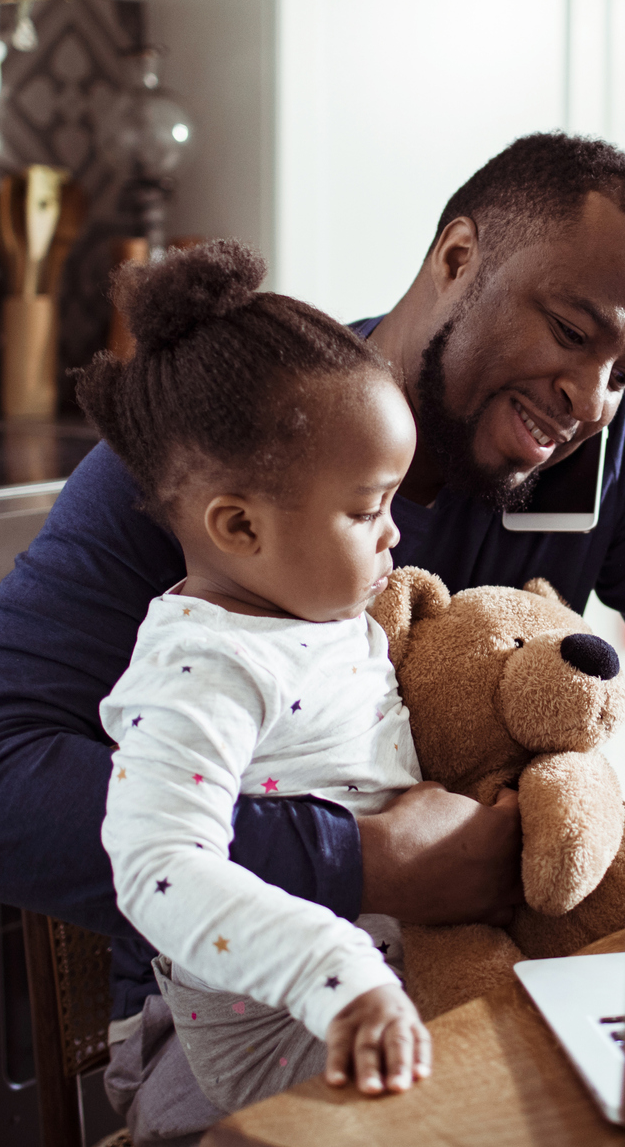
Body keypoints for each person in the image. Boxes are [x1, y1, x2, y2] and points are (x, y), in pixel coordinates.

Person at [0, 132, 625, 1145]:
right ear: (457, 259)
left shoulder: (617, 447)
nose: (590, 398)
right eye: (572, 330)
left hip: (481, 967)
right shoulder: (233, 454)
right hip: (252, 1017)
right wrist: (358, 859)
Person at [79, 240, 430, 1112]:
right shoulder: (204, 666)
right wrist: (335, 970)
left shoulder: (314, 617)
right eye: (366, 510)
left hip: (389, 988)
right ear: (238, 528)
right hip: (280, 1042)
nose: (393, 536)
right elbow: (159, 863)